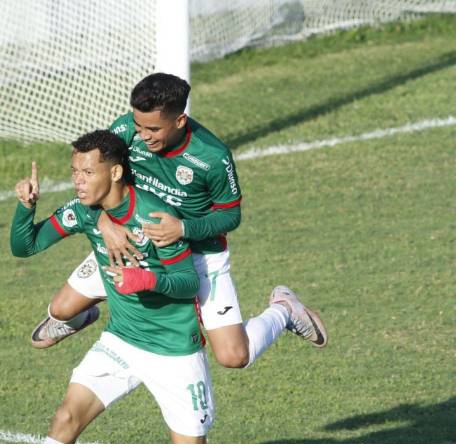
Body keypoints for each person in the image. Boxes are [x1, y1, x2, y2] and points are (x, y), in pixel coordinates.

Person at [32, 73, 328, 369]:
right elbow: (99, 179)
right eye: (138, 125)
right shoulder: (126, 130)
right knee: (60, 311)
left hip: (199, 254)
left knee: (234, 356)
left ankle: (284, 310)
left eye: (153, 129)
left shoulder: (212, 157)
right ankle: (85, 315)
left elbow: (230, 216)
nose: (143, 135)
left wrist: (182, 228)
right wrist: (103, 222)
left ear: (180, 121)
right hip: (135, 243)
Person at [10, 130, 214, 444]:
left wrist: (146, 281)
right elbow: (26, 246)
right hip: (121, 340)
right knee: (66, 418)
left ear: (115, 172)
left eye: (88, 172)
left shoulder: (154, 216)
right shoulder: (85, 210)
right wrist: (26, 207)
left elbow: (188, 283)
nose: (78, 181)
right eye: (74, 172)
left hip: (173, 350)